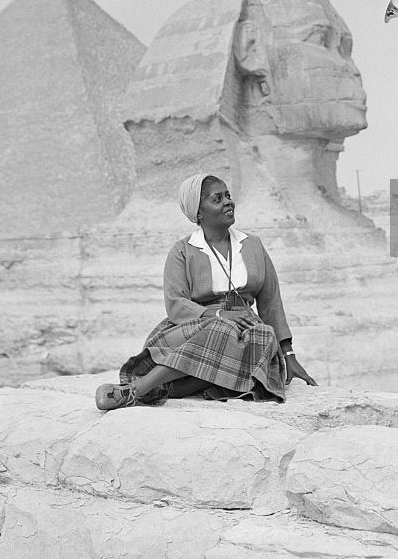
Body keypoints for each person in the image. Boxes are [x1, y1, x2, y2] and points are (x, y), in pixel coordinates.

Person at [96, 172, 317, 409]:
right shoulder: (182, 251)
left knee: (262, 335)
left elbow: (271, 303)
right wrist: (220, 315)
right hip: (194, 325)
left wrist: (289, 356)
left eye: (228, 196)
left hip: (245, 329)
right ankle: (138, 390)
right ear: (199, 213)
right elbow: (175, 303)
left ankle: (171, 388)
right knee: (223, 329)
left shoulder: (253, 245)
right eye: (217, 199)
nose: (228, 202)